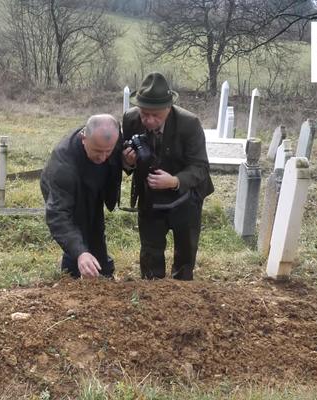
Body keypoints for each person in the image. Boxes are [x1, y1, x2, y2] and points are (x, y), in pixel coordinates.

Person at [122, 72, 214, 281]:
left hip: (185, 196)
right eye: (144, 114)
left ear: (169, 108)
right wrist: (128, 161)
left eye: (156, 115)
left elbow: (200, 166)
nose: (149, 120)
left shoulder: (189, 124)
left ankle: (180, 294)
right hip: (150, 196)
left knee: (185, 252)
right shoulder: (130, 119)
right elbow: (126, 157)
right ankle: (152, 293)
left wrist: (174, 181)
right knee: (150, 250)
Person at [40, 114, 122, 278]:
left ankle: (102, 271)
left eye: (108, 151)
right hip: (66, 190)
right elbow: (59, 216)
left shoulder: (112, 138)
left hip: (93, 182)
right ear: (84, 138)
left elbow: (119, 160)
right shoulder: (63, 167)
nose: (103, 157)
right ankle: (72, 274)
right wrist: (80, 253)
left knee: (95, 228)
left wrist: (129, 162)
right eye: (98, 151)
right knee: (78, 227)